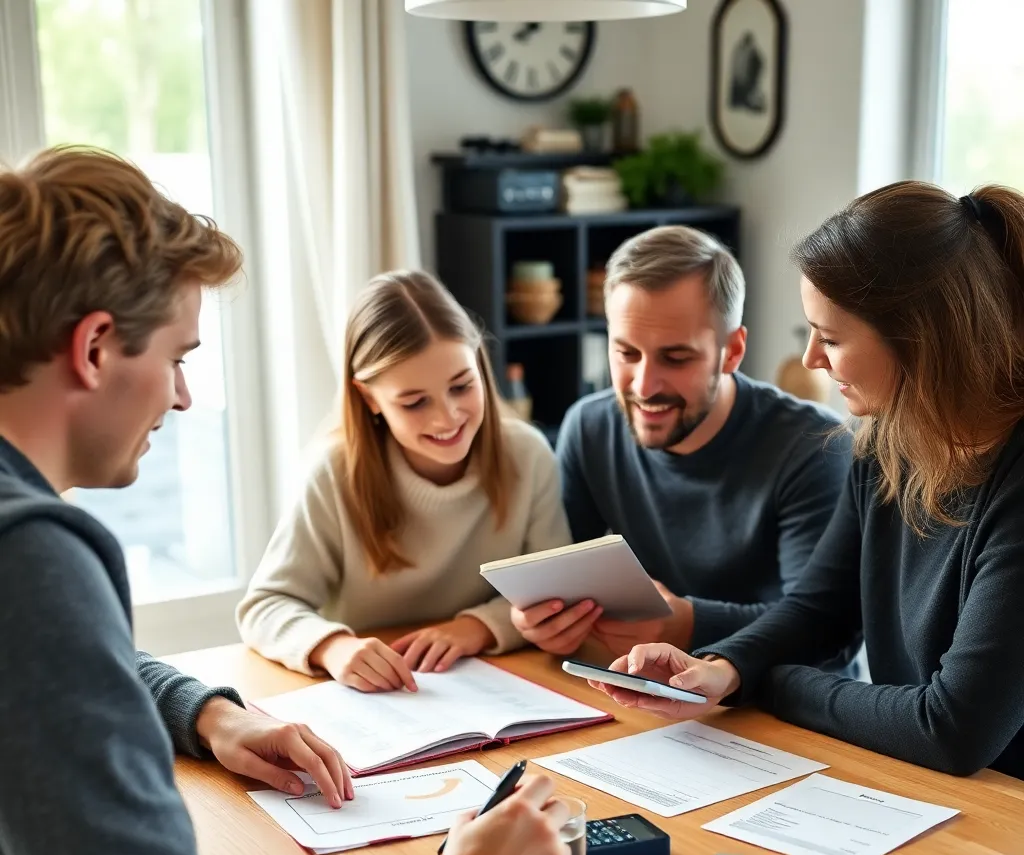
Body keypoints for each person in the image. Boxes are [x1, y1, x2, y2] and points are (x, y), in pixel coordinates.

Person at [0, 146, 572, 855]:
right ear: (94, 347)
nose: (185, 397)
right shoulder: (33, 556)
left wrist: (210, 713)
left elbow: (69, 662)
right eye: (180, 357)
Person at [588, 182, 1024, 781]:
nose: (813, 359)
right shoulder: (885, 441)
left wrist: (769, 683)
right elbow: (820, 608)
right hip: (920, 788)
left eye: (833, 338)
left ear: (920, 340)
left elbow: (953, 729)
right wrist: (721, 668)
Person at [513, 225, 852, 660]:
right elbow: (563, 585)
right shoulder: (590, 427)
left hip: (779, 708)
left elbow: (829, 636)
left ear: (732, 351)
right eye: (626, 353)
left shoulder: (814, 447)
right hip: (647, 689)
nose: (644, 385)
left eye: (675, 358)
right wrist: (544, 619)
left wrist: (687, 624)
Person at [236, 269, 571, 692]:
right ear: (369, 398)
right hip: (379, 694)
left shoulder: (528, 455)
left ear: (479, 365)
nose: (446, 418)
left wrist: (476, 628)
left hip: (497, 683)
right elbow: (265, 606)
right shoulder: (334, 472)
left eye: (462, 386)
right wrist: (333, 647)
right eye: (414, 403)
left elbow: (557, 596)